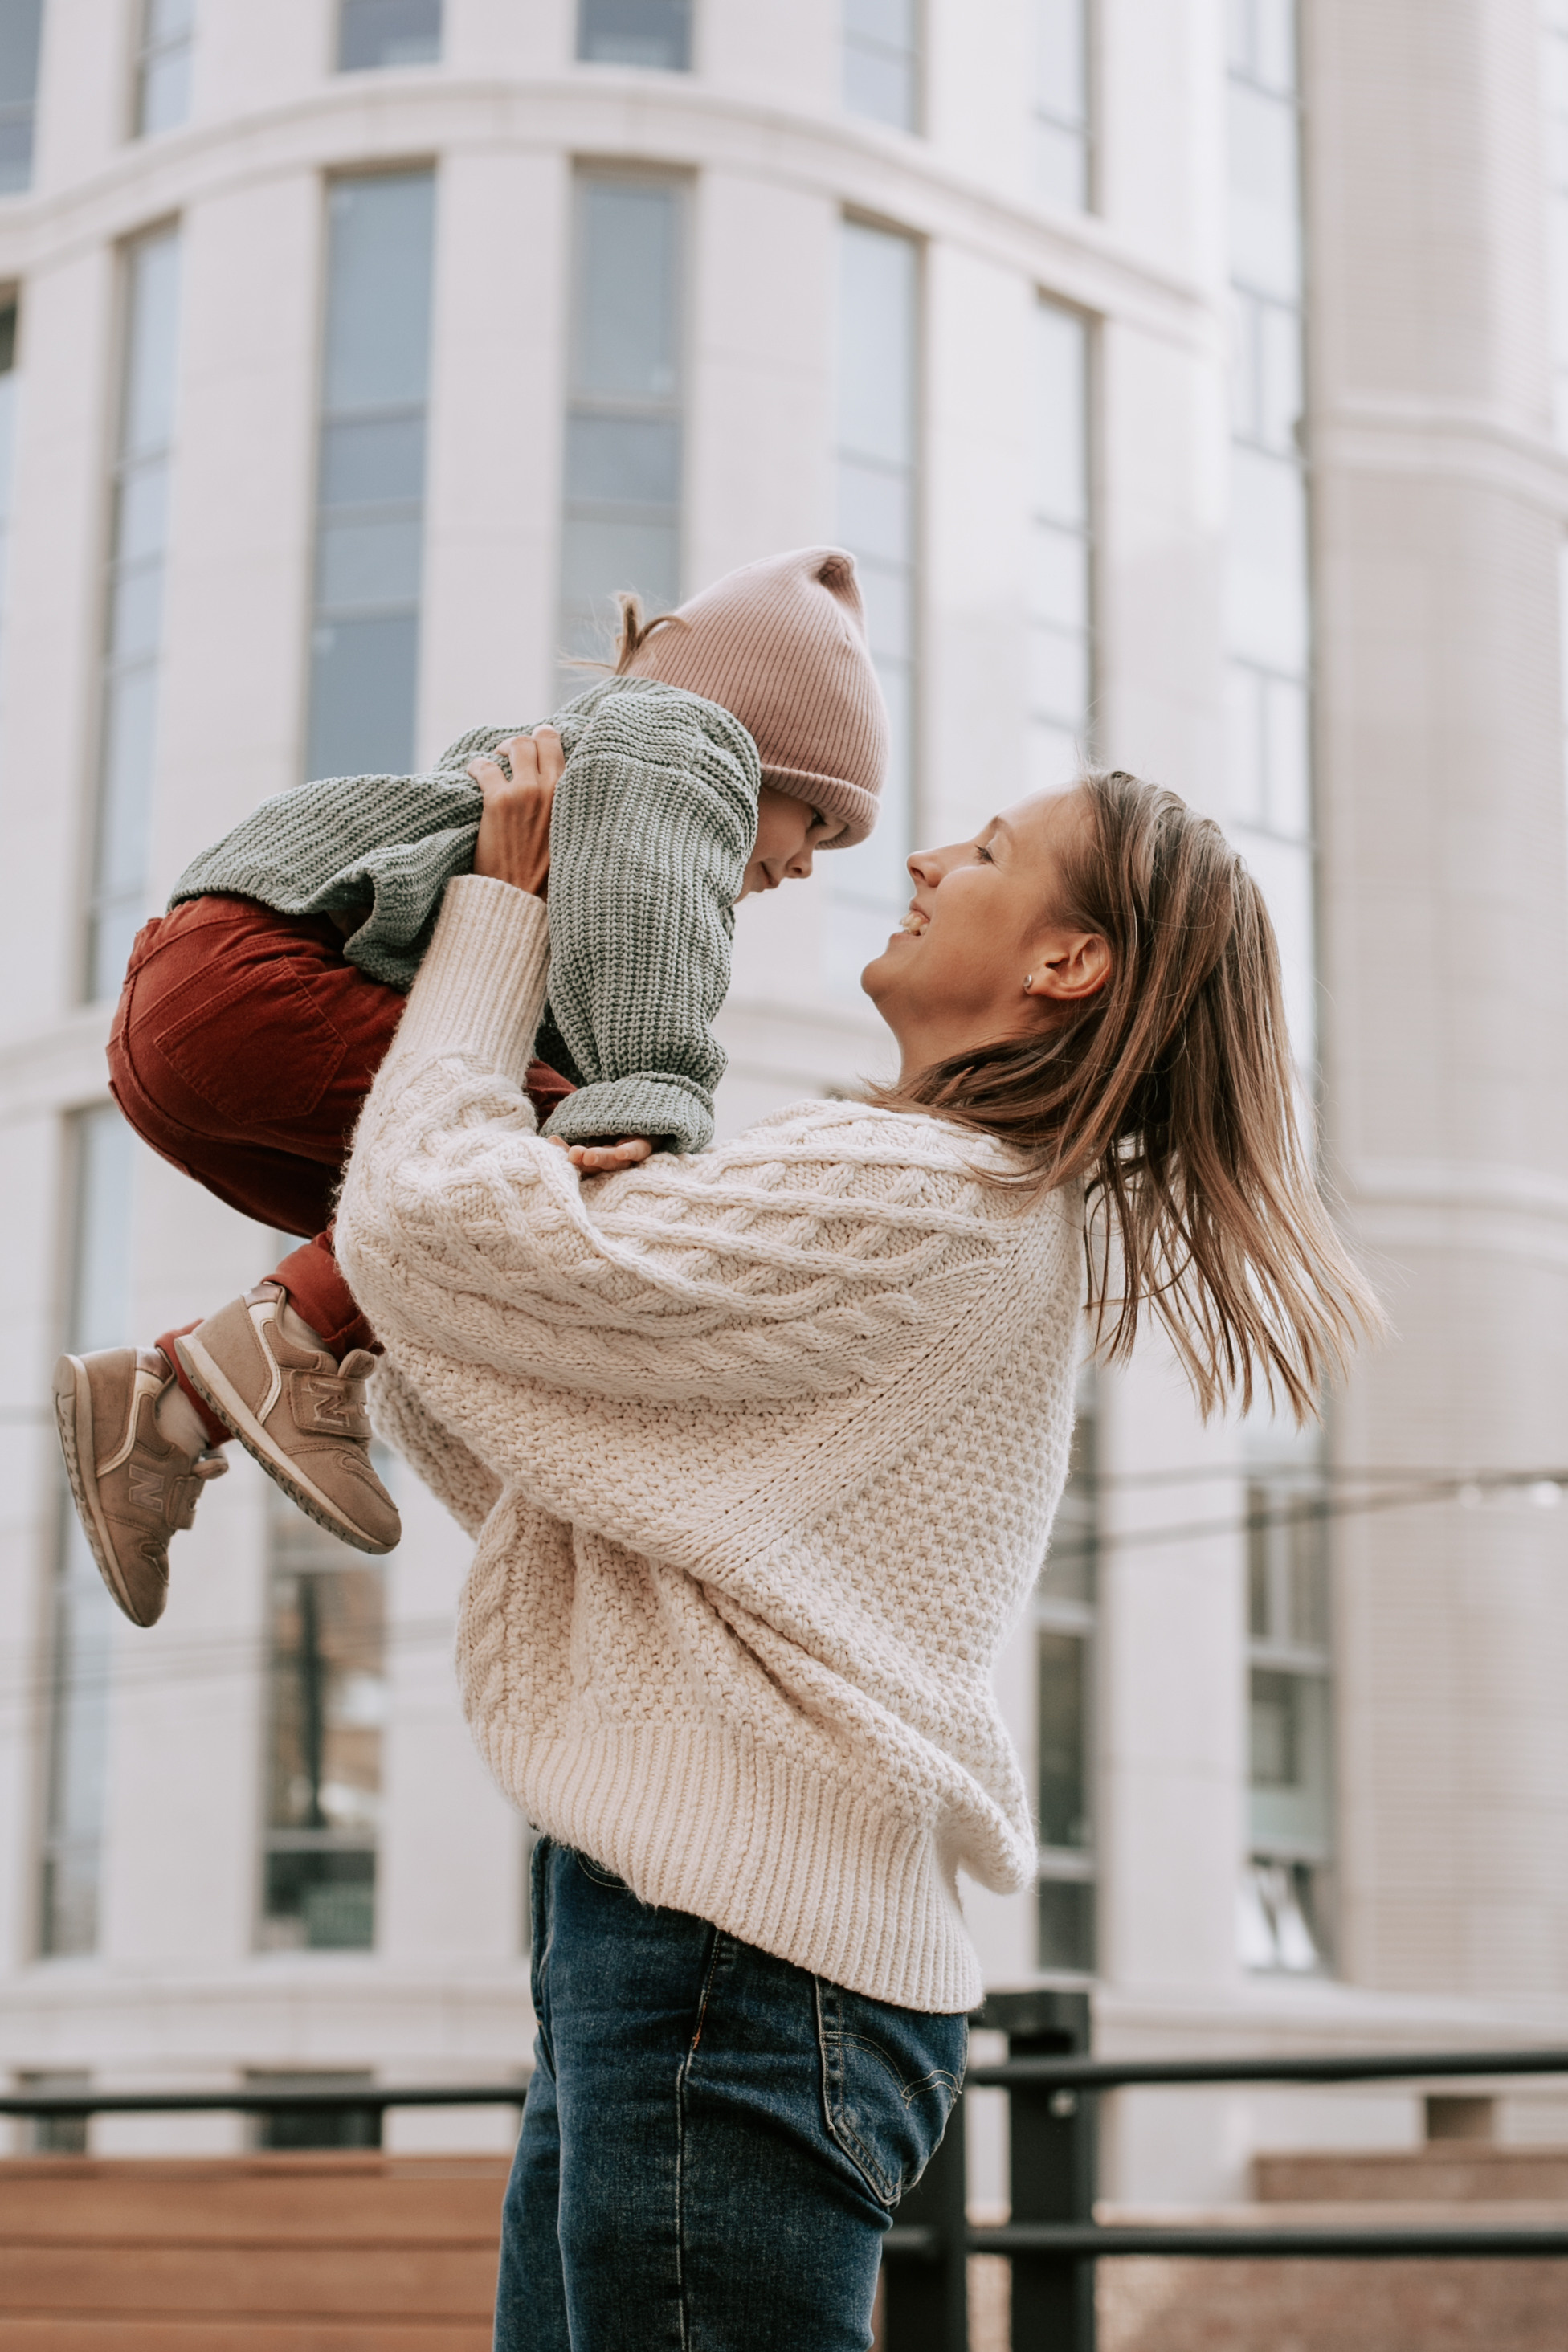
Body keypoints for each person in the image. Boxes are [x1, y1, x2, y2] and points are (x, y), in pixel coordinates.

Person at [330, 755, 1382, 2352]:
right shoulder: (952, 1199)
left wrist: (500, 913)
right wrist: (548, 1280)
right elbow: (584, 1487)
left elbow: (416, 1232)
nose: (930, 856)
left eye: (993, 848)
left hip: (726, 1961)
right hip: (699, 1951)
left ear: (1065, 961)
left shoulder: (916, 1187)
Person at [52, 547, 888, 1628]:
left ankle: (166, 1410)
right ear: (751, 753)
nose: (812, 864)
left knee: (464, 1243)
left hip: (187, 1013)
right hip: (262, 988)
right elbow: (650, 922)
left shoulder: (564, 772)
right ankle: (271, 1355)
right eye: (817, 820)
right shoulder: (678, 746)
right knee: (586, 1187)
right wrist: (650, 1099)